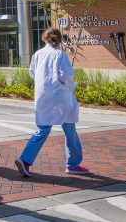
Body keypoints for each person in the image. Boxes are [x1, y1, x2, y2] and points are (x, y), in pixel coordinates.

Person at [15, 28, 89, 178]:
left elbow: (32, 73)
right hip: (61, 96)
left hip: (43, 96)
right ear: (59, 39)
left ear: (45, 38)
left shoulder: (38, 54)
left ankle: (25, 159)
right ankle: (73, 164)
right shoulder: (60, 55)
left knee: (43, 128)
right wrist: (69, 85)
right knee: (69, 128)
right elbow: (67, 77)